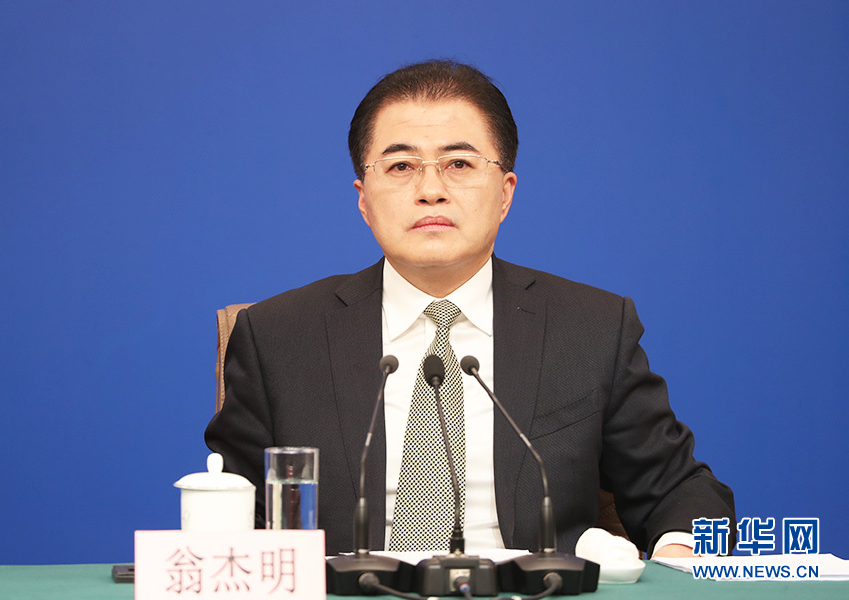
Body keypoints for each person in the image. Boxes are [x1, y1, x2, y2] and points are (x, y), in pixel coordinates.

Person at [205, 59, 735, 558]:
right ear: (363, 199)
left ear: (505, 193)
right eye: (401, 165)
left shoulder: (591, 329)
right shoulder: (279, 336)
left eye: (458, 163)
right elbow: (228, 517)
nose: (430, 190)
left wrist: (678, 554)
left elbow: (681, 491)